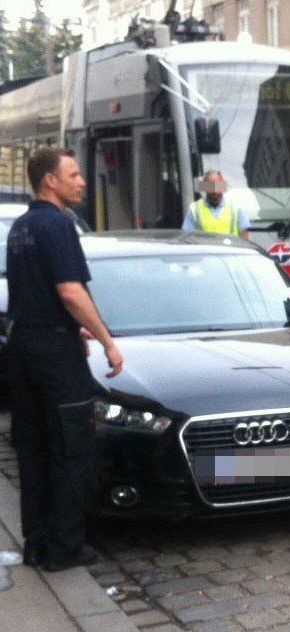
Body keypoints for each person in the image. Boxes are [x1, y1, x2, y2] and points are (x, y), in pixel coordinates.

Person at [6, 147, 124, 571]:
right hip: (55, 354)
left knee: (33, 448)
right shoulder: (59, 223)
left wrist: (69, 324)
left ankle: (37, 543)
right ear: (49, 182)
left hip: (22, 347)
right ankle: (65, 548)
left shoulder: (21, 226)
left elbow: (31, 291)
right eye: (73, 175)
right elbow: (70, 291)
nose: (81, 181)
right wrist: (106, 339)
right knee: (71, 447)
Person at [182, 170, 250, 238]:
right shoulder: (194, 209)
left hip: (230, 248)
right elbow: (187, 238)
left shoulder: (236, 208)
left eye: (218, 186)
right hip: (204, 249)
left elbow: (245, 238)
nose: (215, 190)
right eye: (211, 187)